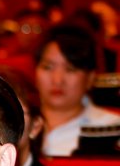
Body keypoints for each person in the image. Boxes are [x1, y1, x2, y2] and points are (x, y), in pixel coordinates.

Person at [35, 24, 120, 155]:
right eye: (48, 67)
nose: (57, 80)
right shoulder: (16, 124)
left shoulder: (113, 127)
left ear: (90, 78)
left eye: (70, 69)